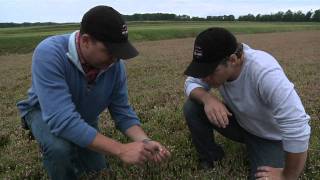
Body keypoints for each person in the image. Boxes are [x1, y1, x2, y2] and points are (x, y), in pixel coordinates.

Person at [17, 5, 170, 179]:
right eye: (109, 51)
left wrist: (145, 141)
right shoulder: (49, 53)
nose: (115, 59)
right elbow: (61, 119)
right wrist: (120, 149)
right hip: (43, 111)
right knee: (59, 149)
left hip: (83, 116)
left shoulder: (115, 66)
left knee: (97, 170)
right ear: (85, 41)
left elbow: (122, 112)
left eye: (118, 53)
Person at [183, 27, 310, 179]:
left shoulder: (264, 72)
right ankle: (211, 158)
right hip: (243, 124)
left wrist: (287, 175)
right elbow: (190, 83)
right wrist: (207, 98)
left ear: (233, 60)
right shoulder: (219, 64)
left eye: (209, 71)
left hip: (271, 137)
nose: (204, 78)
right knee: (193, 106)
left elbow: (296, 125)